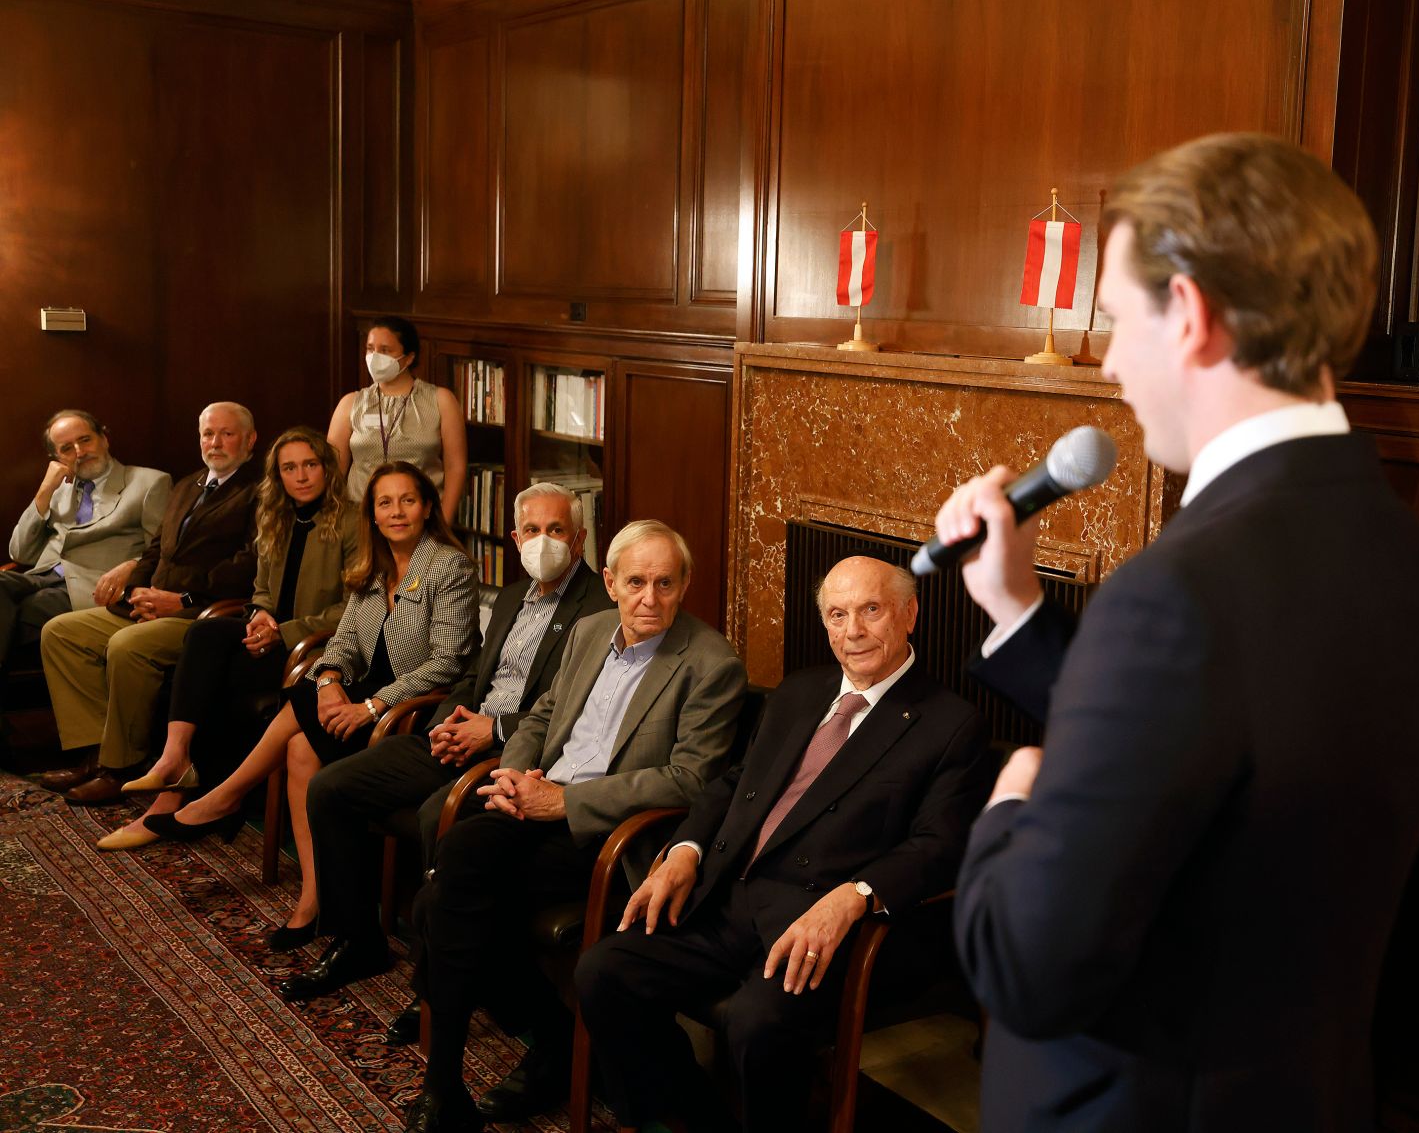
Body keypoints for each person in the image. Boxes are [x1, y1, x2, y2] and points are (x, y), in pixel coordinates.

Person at [935, 134, 1419, 1131]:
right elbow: (1213, 755)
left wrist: (1011, 804)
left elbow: (1025, 968)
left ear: (1185, 314)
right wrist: (1017, 614)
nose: (1106, 361)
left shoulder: (1175, 592)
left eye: (1112, 320)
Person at [575, 555, 992, 1133]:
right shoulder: (800, 691)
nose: (854, 632)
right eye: (838, 615)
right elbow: (732, 783)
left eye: (871, 611)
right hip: (726, 899)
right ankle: (693, 1117)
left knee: (757, 1024)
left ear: (909, 614)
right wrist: (686, 849)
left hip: (822, 926)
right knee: (604, 971)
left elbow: (940, 844)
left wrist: (855, 896)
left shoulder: (949, 723)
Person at [393, 520, 747, 1133]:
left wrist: (563, 803)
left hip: (609, 833)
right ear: (610, 582)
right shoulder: (587, 633)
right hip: (533, 802)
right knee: (446, 891)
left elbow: (690, 780)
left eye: (666, 583)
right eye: (636, 581)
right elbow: (541, 715)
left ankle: (459, 1079)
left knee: (442, 896)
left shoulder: (711, 663)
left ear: (685, 584)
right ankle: (520, 1057)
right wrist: (510, 775)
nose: (649, 598)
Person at [292, 481, 611, 1020]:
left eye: (557, 530)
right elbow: (471, 674)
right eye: (532, 530)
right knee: (331, 788)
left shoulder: (598, 609)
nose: (544, 541)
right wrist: (447, 723)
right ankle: (356, 940)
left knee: (434, 815)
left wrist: (494, 731)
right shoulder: (512, 595)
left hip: (514, 752)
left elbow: (571, 712)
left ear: (579, 540)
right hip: (455, 732)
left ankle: (434, 985)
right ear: (514, 537)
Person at [144, 461, 480, 948]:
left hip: (412, 713)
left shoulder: (448, 566)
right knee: (301, 747)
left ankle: (224, 797)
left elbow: (449, 662)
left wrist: (370, 704)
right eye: (385, 502)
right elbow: (342, 644)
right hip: (361, 701)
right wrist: (328, 681)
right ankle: (313, 896)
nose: (397, 511)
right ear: (373, 514)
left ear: (427, 507)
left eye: (408, 500)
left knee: (299, 704)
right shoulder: (371, 566)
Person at [93, 427, 360, 852]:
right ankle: (174, 763)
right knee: (205, 636)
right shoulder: (276, 517)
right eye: (290, 468)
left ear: (327, 468)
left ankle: (173, 798)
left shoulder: (352, 520)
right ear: (279, 475)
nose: (302, 476)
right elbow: (261, 592)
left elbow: (353, 608)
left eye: (310, 465)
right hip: (269, 639)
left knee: (208, 669)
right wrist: (260, 618)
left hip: (313, 650)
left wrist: (281, 632)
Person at [36, 402, 260, 803]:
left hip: (204, 614)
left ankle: (120, 766)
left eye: (227, 434)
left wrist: (182, 598)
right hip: (151, 604)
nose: (216, 443)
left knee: (127, 646)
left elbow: (248, 563)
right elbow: (156, 550)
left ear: (250, 439)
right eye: (208, 434)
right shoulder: (187, 485)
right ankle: (93, 752)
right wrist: (137, 592)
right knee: (61, 632)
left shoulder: (261, 491)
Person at [3, 410, 169, 674]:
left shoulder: (149, 482)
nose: (79, 452)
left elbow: (163, 551)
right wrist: (45, 490)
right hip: (40, 576)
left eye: (85, 440)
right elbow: (20, 553)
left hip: (89, 586)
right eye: (67, 448)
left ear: (104, 438)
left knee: (24, 611)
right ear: (57, 458)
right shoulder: (58, 487)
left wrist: (132, 565)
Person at [326, 316, 466, 522]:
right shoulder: (351, 403)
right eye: (370, 348)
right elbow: (333, 468)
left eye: (385, 350)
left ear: (408, 357)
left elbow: (456, 467)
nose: (374, 357)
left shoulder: (441, 400)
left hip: (421, 521)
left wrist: (444, 522)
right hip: (360, 520)